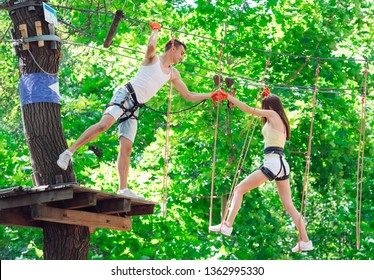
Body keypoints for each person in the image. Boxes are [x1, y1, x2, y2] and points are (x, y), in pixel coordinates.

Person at [57, 22, 213, 199]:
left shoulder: (173, 73)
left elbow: (188, 95)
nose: (182, 57)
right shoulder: (152, 59)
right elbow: (151, 45)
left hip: (135, 107)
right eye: (182, 53)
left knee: (127, 147)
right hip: (125, 95)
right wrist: (155, 30)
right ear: (172, 48)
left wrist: (211, 95)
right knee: (104, 125)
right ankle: (68, 152)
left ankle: (123, 188)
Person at [208, 89, 313, 252]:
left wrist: (229, 97)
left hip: (273, 162)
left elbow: (249, 110)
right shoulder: (281, 120)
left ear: (270, 107)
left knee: (238, 189)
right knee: (289, 205)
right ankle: (305, 240)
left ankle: (227, 224)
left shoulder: (273, 115)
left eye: (265, 107)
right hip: (281, 164)